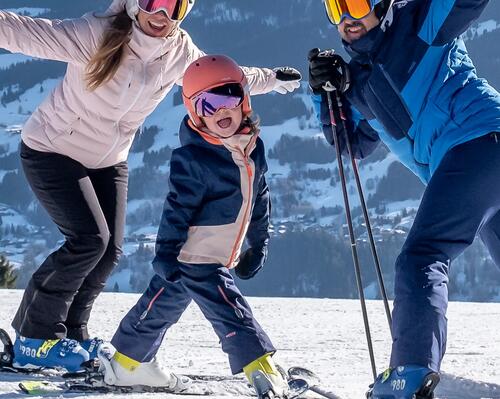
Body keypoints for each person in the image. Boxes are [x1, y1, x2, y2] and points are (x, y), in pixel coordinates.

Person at [0, 0, 301, 372]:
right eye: (152, 2)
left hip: (109, 160)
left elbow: (223, 79)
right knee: (89, 240)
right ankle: (35, 337)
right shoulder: (93, 35)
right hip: (51, 150)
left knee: (109, 250)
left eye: (174, 7)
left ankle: (72, 333)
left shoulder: (179, 52)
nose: (161, 14)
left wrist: (272, 79)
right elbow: (21, 32)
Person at [308, 0, 499, 397]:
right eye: (334, 9)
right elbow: (351, 143)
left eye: (356, 5)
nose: (346, 18)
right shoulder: (358, 83)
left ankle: (408, 376)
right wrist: (324, 93)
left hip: (480, 143)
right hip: (477, 160)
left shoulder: (417, 24)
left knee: (422, 255)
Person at [97, 54, 294, 398]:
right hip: (196, 256)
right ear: (195, 111)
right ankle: (260, 367)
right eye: (208, 103)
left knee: (162, 302)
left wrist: (258, 243)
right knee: (229, 310)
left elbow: (260, 197)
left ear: (244, 100)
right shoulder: (194, 159)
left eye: (228, 96)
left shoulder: (252, 148)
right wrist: (166, 255)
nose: (220, 110)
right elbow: (176, 210)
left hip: (214, 255)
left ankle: (128, 363)